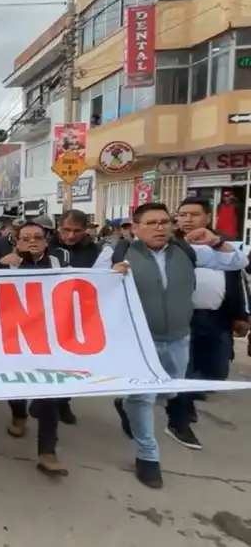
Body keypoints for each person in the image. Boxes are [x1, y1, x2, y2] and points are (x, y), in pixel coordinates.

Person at [96, 202, 248, 488]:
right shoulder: (118, 253)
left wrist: (215, 241)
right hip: (139, 340)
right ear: (136, 227)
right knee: (143, 397)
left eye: (165, 221)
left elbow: (238, 263)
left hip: (179, 338)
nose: (160, 227)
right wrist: (111, 275)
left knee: (171, 390)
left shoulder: (187, 251)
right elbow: (90, 285)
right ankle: (148, 456)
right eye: (152, 222)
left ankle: (125, 402)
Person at [163, 198, 249, 450]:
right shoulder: (170, 246)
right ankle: (179, 419)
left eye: (194, 214)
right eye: (183, 215)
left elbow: (238, 280)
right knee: (185, 371)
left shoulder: (223, 247)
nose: (188, 220)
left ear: (208, 218)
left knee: (216, 371)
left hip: (217, 318)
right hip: (182, 319)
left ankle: (185, 399)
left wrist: (241, 315)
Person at [0, 221, 70, 476]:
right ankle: (19, 415)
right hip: (13, 336)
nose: (32, 241)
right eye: (26, 237)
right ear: (16, 242)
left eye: (37, 237)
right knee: (15, 384)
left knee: (49, 395)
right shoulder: (5, 265)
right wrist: (4, 267)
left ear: (46, 241)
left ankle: (47, 453)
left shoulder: (59, 264)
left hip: (48, 339)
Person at [49, 209, 103, 426]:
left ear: (86, 230)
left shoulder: (97, 252)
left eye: (77, 231)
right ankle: (47, 402)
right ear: (58, 228)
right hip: (48, 316)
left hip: (80, 316)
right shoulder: (45, 247)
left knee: (70, 363)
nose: (70, 236)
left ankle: (63, 400)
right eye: (66, 230)